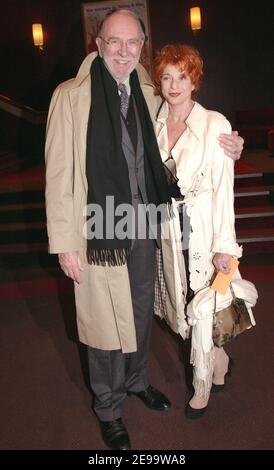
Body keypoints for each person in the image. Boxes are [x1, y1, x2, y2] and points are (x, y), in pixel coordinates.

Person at [45, 10, 244, 450]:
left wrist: (230, 141)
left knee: (139, 313)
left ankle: (136, 381)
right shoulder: (70, 96)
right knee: (101, 324)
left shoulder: (148, 88)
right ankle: (109, 407)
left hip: (144, 223)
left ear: (142, 46)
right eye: (114, 42)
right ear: (99, 43)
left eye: (132, 43)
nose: (123, 51)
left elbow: (189, 116)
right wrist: (65, 244)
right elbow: (58, 174)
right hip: (97, 227)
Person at [153, 44, 254, 419]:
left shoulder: (216, 124)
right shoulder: (156, 123)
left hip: (205, 230)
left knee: (204, 306)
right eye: (166, 77)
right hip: (167, 230)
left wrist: (225, 246)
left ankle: (203, 385)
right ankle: (221, 358)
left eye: (182, 76)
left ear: (194, 79)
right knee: (183, 311)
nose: (174, 85)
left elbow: (224, 191)